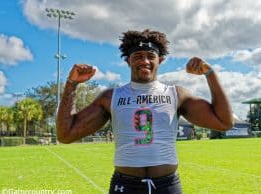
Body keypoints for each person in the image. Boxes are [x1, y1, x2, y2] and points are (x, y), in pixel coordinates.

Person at [57, 29, 233, 194]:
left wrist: (210, 73)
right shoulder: (111, 97)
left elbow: (224, 122)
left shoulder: (175, 94)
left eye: (151, 56)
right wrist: (72, 84)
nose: (145, 61)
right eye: (138, 56)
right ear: (128, 60)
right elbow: (66, 134)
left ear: (160, 60)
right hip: (125, 186)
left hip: (167, 186)